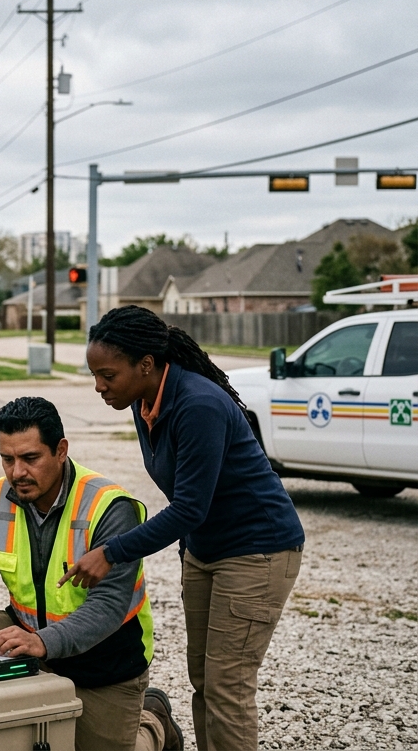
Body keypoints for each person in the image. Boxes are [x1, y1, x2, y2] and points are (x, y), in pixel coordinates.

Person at [64, 305, 305, 751]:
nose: (99, 386)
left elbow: (189, 508)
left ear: (147, 365)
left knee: (228, 687)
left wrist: (111, 551)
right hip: (204, 550)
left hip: (258, 548)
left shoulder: (199, 405)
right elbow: (186, 500)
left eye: (108, 375)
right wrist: (186, 553)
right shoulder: (144, 403)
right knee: (203, 678)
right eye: (95, 374)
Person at [0, 397, 182, 751]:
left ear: (60, 451)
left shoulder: (110, 507)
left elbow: (108, 606)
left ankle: (153, 723)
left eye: (30, 458)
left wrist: (44, 642)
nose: (17, 473)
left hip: (105, 662)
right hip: (32, 643)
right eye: (7, 459)